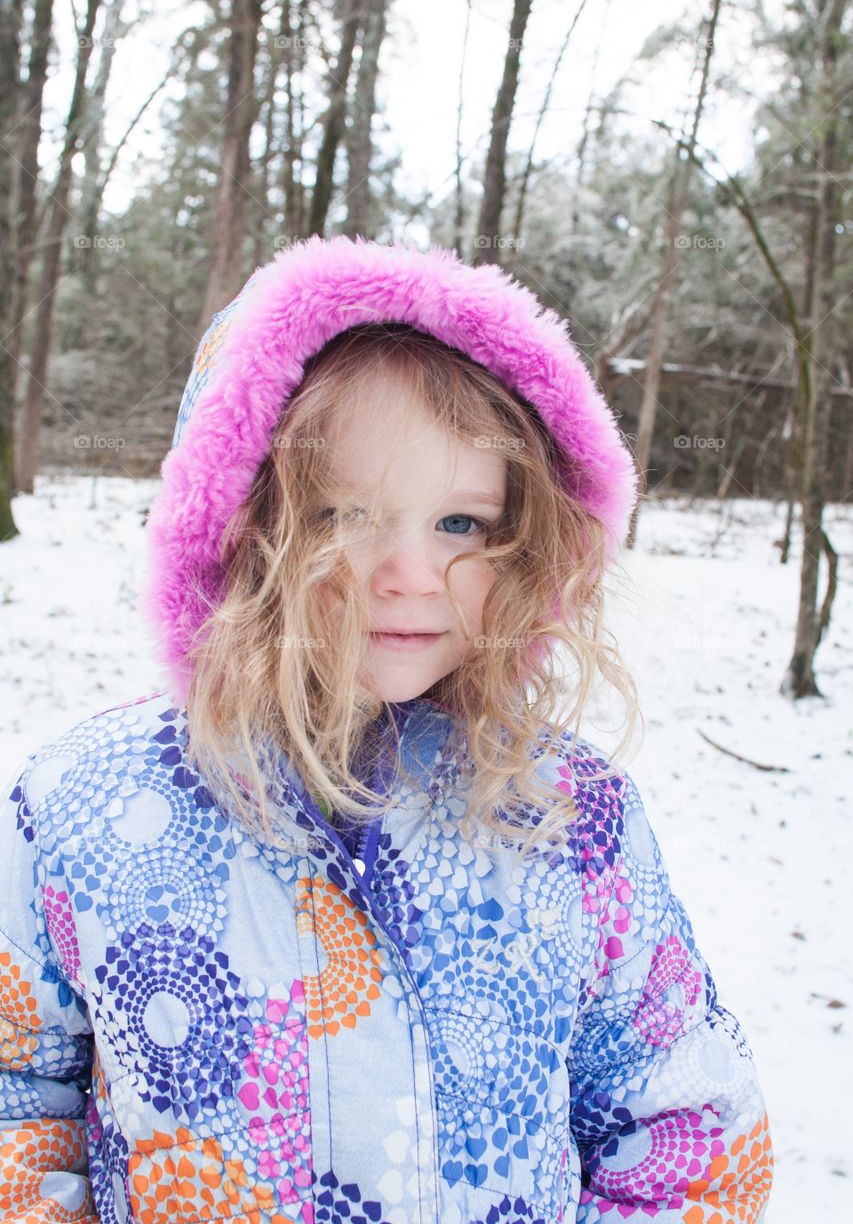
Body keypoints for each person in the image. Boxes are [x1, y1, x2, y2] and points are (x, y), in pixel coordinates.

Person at [0, 235, 773, 1224]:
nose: (408, 572)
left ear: (525, 536)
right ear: (240, 521)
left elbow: (687, 1127)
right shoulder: (87, 805)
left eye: (460, 524)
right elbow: (20, 1099)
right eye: (343, 514)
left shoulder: (568, 817)